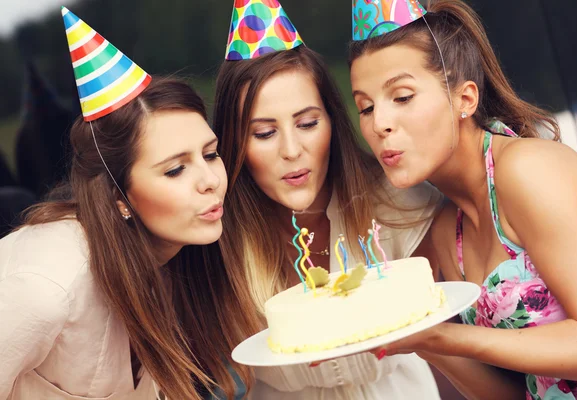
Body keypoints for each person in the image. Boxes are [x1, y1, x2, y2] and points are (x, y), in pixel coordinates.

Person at [348, 0, 577, 399]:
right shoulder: (450, 232)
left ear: (466, 99)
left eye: (402, 97)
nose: (379, 123)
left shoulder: (528, 171)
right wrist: (422, 339)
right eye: (365, 106)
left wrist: (449, 338)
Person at [0, 8, 256, 400]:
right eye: (174, 170)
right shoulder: (45, 287)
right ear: (119, 198)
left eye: (210, 154)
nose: (210, 182)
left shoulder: (174, 257)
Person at [213, 1, 443, 398]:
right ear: (236, 144)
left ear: (333, 122)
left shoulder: (400, 204)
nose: (291, 150)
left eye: (307, 124)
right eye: (264, 133)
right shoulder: (216, 242)